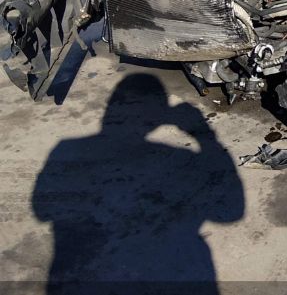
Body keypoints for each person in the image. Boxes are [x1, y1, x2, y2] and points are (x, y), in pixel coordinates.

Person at [32, 73, 244, 294]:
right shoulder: (181, 158)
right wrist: (205, 136)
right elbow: (232, 212)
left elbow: (41, 209)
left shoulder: (67, 149)